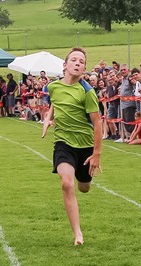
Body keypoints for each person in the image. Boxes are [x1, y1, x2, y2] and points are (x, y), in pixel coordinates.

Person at [41, 48, 102, 245]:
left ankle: (84, 177)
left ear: (84, 68)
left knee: (84, 187)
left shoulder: (87, 92)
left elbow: (97, 123)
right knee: (66, 184)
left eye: (81, 61)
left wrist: (97, 154)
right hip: (63, 143)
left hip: (85, 146)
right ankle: (78, 233)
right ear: (65, 65)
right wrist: (48, 119)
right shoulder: (53, 87)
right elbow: (55, 102)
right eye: (74, 60)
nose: (77, 63)